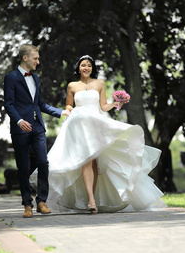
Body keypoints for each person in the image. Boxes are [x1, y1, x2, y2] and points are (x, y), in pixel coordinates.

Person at [41, 55, 165, 213]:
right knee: (85, 161)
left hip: (96, 125)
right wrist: (68, 110)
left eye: (89, 65)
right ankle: (91, 201)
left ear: (92, 68)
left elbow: (103, 106)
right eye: (83, 65)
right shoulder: (72, 85)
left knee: (95, 163)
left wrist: (115, 103)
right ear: (78, 67)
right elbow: (68, 104)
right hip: (79, 126)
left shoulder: (99, 83)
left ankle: (91, 198)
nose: (86, 68)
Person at [4, 44, 70, 218]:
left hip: (38, 127)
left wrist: (60, 112)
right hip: (20, 129)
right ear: (25, 58)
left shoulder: (36, 78)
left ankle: (42, 201)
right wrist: (18, 121)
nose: (38, 62)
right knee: (24, 166)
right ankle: (27, 204)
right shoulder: (11, 78)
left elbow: (39, 104)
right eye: (35, 58)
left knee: (43, 162)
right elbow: (8, 104)